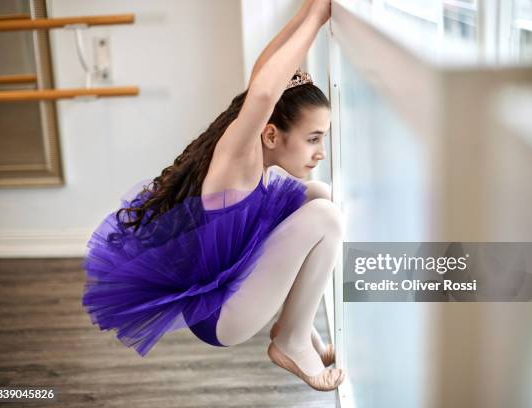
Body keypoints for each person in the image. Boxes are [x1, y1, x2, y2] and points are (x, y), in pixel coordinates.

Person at [81, 0, 345, 391]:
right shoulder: (238, 158)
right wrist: (320, 18)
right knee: (326, 217)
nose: (320, 152)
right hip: (223, 315)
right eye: (312, 140)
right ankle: (291, 340)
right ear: (272, 134)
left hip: (234, 282)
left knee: (319, 194)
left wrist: (307, 12)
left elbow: (263, 76)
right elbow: (262, 95)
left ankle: (297, 325)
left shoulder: (250, 143)